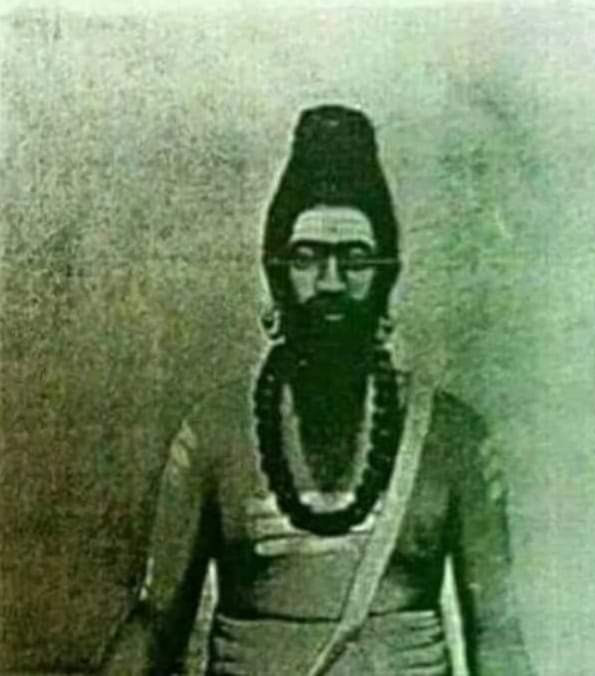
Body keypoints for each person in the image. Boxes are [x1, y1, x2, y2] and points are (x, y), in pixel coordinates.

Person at [105, 105, 534, 675]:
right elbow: (156, 623)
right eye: (307, 257)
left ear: (385, 276)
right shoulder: (214, 433)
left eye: (355, 259)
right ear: (277, 272)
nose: (330, 283)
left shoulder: (454, 441)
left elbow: (496, 636)